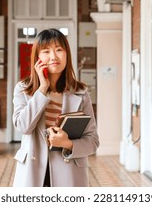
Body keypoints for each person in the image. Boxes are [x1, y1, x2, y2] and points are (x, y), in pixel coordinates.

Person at [12, 28, 99, 187]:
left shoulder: (80, 93)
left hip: (69, 174)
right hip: (33, 173)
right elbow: (23, 127)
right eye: (46, 51)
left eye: (59, 49)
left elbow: (92, 141)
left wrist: (67, 143)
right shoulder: (23, 89)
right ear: (37, 58)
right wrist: (42, 90)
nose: (53, 56)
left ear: (67, 55)